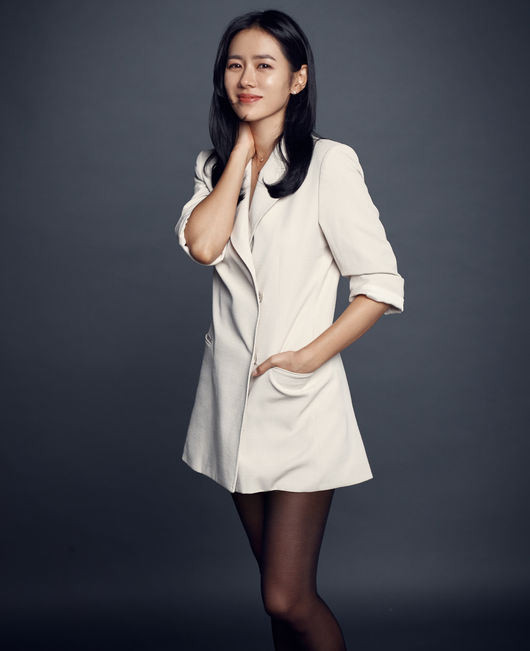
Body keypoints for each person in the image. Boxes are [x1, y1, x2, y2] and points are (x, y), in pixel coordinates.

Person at [174, 9, 405, 650]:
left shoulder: (330, 164)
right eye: (235, 65)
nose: (246, 79)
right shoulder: (212, 167)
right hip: (233, 406)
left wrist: (307, 357)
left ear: (297, 79)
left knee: (286, 595)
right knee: (276, 600)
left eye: (264, 65)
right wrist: (240, 153)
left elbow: (380, 284)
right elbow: (203, 245)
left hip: (299, 406)